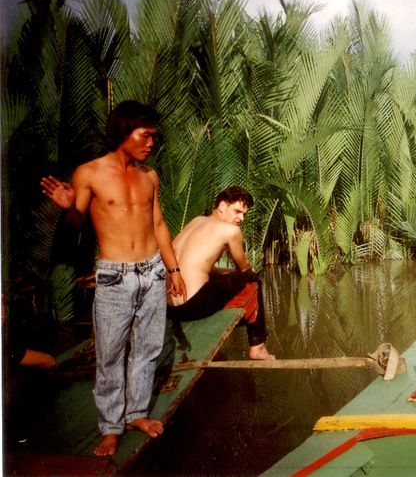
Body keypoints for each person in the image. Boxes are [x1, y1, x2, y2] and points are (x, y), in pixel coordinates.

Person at [40, 100, 186, 457]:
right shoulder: (89, 173)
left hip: (152, 271)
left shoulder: (149, 176)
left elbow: (159, 224)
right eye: (145, 135)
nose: (151, 143)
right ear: (124, 131)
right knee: (110, 355)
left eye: (154, 136)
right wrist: (68, 208)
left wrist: (173, 270)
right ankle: (111, 427)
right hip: (114, 278)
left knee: (148, 349)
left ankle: (136, 415)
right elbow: (77, 223)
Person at [168, 186, 274, 361]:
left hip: (170, 306)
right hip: (191, 306)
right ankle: (258, 346)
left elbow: (197, 266)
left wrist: (226, 271)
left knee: (225, 277)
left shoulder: (196, 221)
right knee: (254, 280)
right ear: (222, 206)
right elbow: (244, 269)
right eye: (237, 211)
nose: (241, 218)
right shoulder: (230, 231)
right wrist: (246, 271)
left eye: (244, 214)